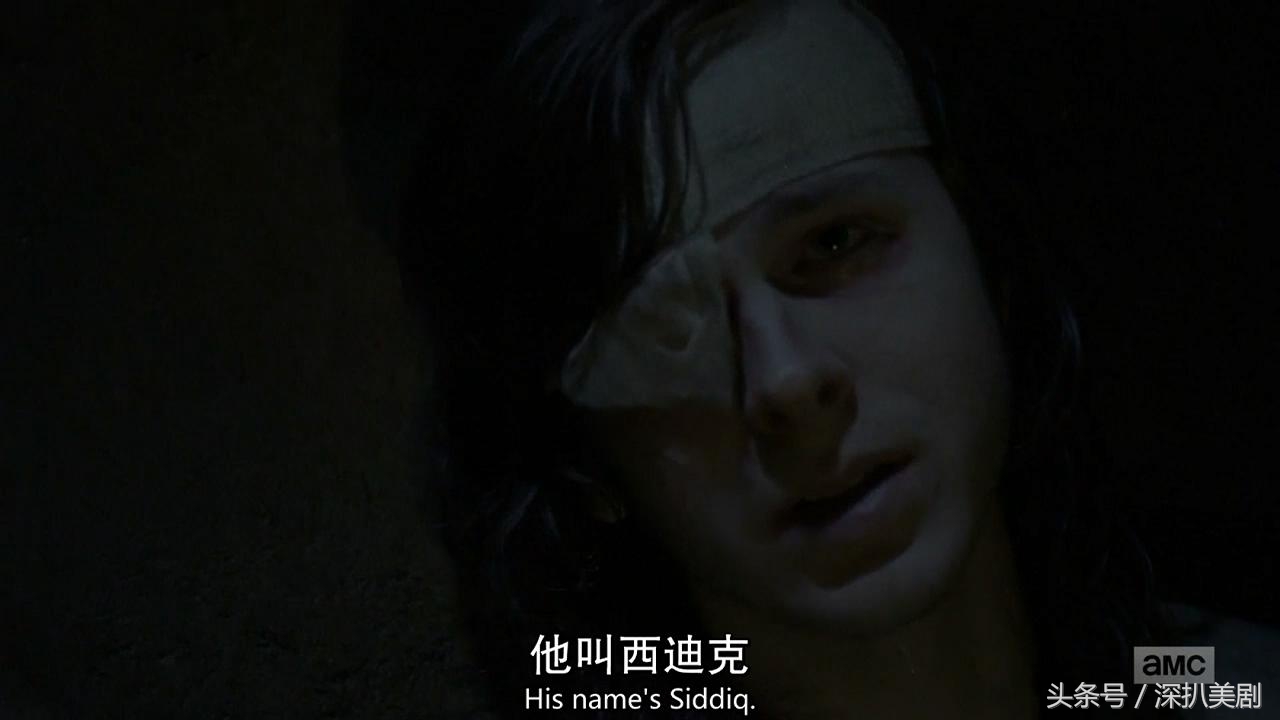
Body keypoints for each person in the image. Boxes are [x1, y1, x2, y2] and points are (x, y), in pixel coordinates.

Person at [397, 0, 1273, 717]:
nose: (785, 380)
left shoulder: (1221, 680)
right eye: (663, 330)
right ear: (582, 456)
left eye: (837, 242)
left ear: (984, 253)